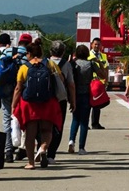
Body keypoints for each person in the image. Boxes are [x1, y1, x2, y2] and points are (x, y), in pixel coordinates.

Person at [11, 41, 62, 169]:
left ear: (29, 53)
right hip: (47, 102)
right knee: (47, 130)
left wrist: (13, 105)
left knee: (30, 134)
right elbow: (60, 80)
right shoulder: (50, 64)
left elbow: (18, 88)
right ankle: (43, 148)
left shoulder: (24, 67)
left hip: (29, 104)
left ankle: (31, 163)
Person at [68, 44, 103, 155]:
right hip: (87, 94)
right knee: (84, 121)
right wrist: (99, 62)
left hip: (74, 93)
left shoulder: (73, 64)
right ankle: (81, 147)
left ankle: (71, 140)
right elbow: (102, 75)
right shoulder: (91, 64)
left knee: (75, 119)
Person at [46, 41, 75, 163]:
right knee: (58, 126)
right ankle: (51, 154)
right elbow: (71, 84)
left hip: (45, 99)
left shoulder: (45, 62)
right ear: (63, 52)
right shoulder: (66, 65)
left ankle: (41, 148)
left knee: (45, 125)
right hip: (60, 99)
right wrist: (73, 101)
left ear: (50, 51)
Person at [88, 37, 108, 129]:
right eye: (95, 44)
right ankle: (85, 123)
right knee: (88, 104)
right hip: (90, 82)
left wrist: (106, 81)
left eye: (98, 44)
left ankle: (95, 123)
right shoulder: (88, 55)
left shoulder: (103, 56)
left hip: (100, 83)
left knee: (98, 103)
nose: (97, 46)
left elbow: (106, 68)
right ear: (91, 45)